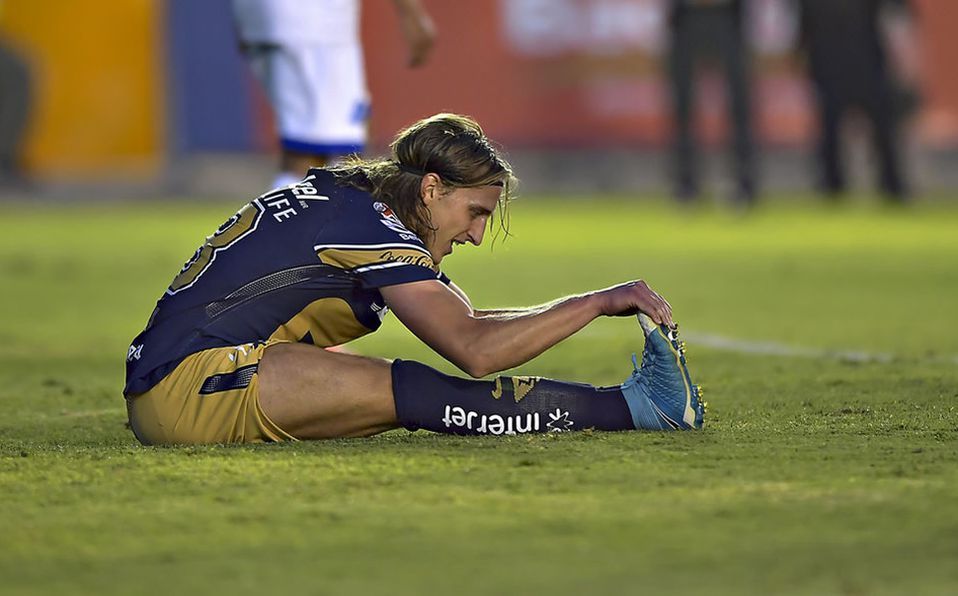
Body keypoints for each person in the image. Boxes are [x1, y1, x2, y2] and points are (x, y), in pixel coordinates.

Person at [123, 113, 705, 445]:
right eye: (475, 213)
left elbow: (472, 320)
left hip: (189, 377)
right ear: (432, 189)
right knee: (422, 393)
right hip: (190, 387)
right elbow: (475, 349)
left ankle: (637, 405)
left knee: (410, 391)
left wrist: (589, 304)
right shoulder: (371, 229)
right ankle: (636, 409)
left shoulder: (358, 205)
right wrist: (600, 301)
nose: (476, 236)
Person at [231, 0, 436, 189]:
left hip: (268, 17)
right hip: (314, 22)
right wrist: (410, 12)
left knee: (310, 145)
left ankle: (304, 224)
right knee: (329, 157)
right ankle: (283, 228)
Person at [796, 0, 914, 201]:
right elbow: (802, 24)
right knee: (829, 130)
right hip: (828, 63)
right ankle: (832, 186)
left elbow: (897, 13)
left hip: (866, 61)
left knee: (881, 127)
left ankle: (891, 184)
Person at [667, 0, 756, 206]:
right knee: (682, 109)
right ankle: (686, 185)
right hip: (687, 17)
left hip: (726, 16)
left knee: (740, 106)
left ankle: (744, 183)